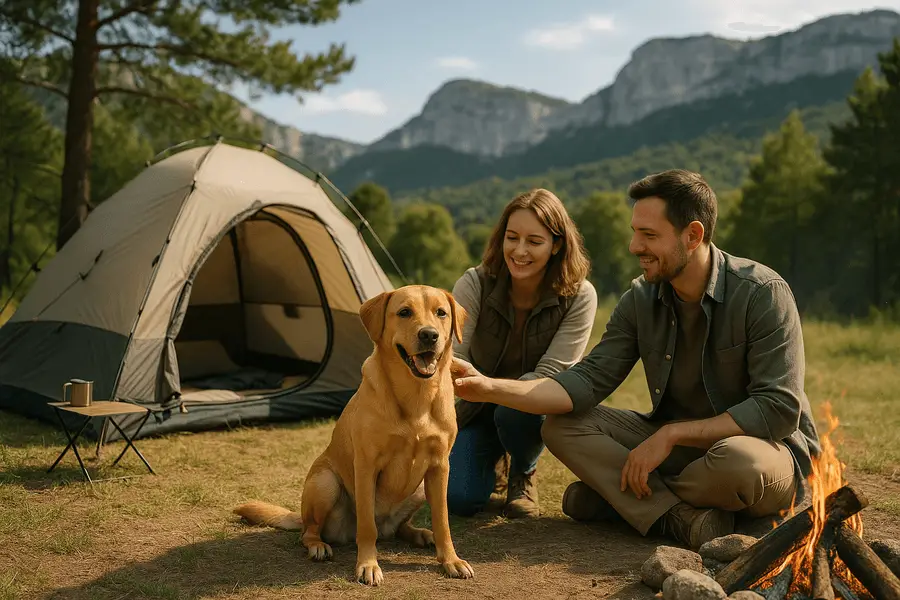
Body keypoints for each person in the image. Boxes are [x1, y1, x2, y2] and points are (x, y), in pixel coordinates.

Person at [450, 169, 821, 550]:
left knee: (742, 464)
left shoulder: (762, 293)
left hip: (761, 449)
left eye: (649, 235)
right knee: (560, 427)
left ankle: (617, 502)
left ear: (692, 236)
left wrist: (673, 433)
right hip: (677, 453)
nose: (633, 246)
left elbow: (778, 408)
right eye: (635, 232)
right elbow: (587, 380)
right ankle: (679, 518)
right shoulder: (641, 299)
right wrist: (488, 387)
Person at [447, 188, 598, 519]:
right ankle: (492, 459)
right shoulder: (474, 283)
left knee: (516, 409)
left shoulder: (580, 296)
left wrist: (488, 385)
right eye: (512, 237)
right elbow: (452, 359)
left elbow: (551, 378)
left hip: (530, 410)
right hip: (475, 408)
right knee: (458, 500)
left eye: (534, 241)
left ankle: (523, 471)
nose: (519, 250)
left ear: (557, 244)